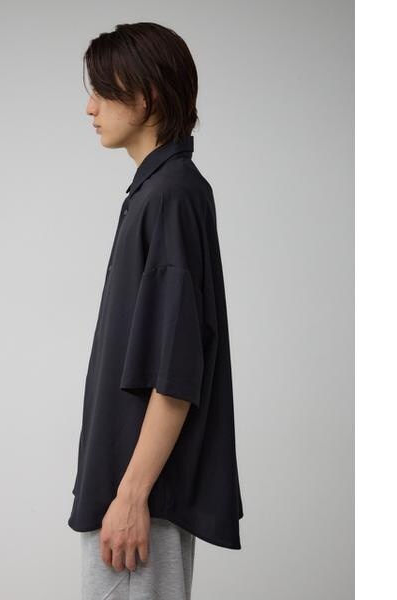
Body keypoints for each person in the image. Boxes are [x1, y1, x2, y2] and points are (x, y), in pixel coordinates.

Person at [68, 22, 244, 600]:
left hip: (139, 498)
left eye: (102, 91)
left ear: (144, 98)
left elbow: (176, 369)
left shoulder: (170, 196)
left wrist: (131, 495)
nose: (90, 108)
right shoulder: (160, 192)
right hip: (132, 488)